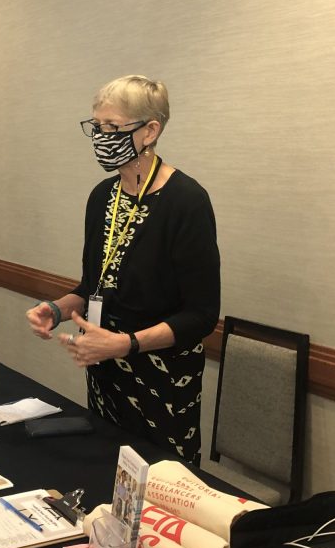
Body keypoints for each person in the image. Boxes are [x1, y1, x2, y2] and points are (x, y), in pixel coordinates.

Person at [26, 75, 220, 465]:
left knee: (161, 493)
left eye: (113, 128)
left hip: (163, 382)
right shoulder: (102, 197)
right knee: (105, 479)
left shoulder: (187, 201)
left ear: (151, 130)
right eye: (97, 127)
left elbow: (201, 315)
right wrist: (57, 309)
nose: (101, 137)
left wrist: (126, 343)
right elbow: (92, 286)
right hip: (105, 373)